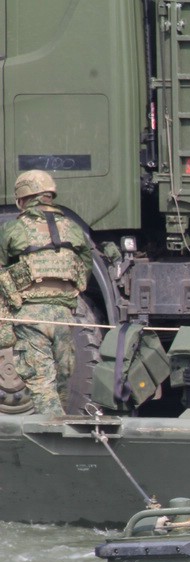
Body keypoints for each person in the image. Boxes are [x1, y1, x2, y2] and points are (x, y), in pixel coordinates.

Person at [0, 170, 92, 415]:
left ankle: (52, 429)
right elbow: (85, 269)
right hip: (63, 315)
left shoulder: (13, 229)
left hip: (30, 315)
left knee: (41, 380)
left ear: (22, 199)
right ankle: (58, 424)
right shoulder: (73, 229)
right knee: (63, 378)